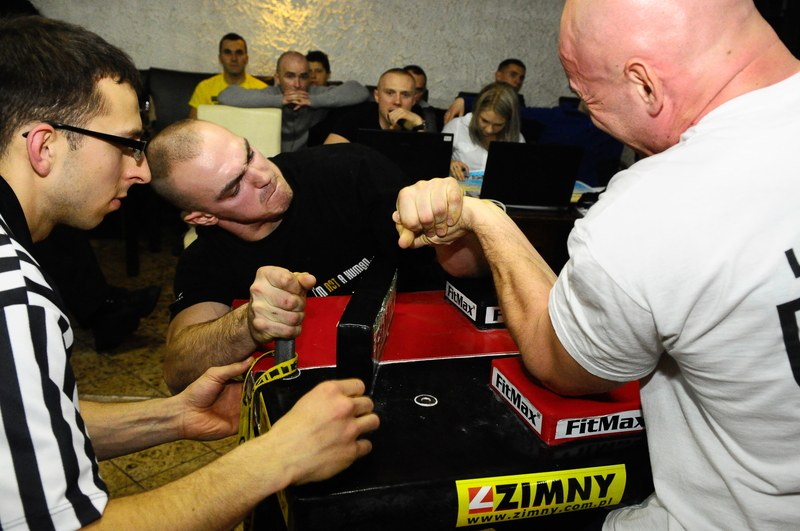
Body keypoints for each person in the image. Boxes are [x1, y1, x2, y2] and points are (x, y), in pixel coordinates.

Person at [393, 0, 800, 528]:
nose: (591, 116)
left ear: (645, 84)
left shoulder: (658, 203)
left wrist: (487, 218)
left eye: (588, 96)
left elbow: (557, 361)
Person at [0, 16, 378, 529]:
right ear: (44, 146)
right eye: (125, 144)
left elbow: (27, 428)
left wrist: (173, 416)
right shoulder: (15, 296)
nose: (140, 170)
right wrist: (279, 455)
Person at [146, 119, 477, 392]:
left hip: (430, 354)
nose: (263, 176)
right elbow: (178, 371)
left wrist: (456, 221)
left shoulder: (350, 169)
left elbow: (467, 268)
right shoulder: (207, 258)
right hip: (322, 392)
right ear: (204, 217)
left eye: (249, 154)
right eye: (235, 187)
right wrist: (247, 323)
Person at [218, 50, 369, 152]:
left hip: (306, 164)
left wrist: (313, 101)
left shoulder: (314, 93)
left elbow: (359, 90)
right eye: (290, 76)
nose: (297, 84)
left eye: (303, 77)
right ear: (278, 78)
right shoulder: (271, 94)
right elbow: (226, 95)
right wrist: (279, 100)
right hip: (272, 161)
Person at [324, 68, 433, 144]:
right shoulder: (358, 117)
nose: (397, 101)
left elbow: (430, 164)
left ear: (413, 100)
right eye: (390, 93)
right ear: (377, 96)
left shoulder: (416, 120)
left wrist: (419, 125)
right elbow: (327, 156)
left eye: (405, 95)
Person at [442, 81, 524, 181]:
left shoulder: (517, 138)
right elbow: (434, 160)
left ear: (508, 121)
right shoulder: (457, 127)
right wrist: (449, 164)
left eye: (498, 125)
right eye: (484, 121)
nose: (489, 130)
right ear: (476, 111)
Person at [187, 33, 267, 120]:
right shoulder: (204, 88)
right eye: (228, 53)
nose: (234, 58)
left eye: (239, 53)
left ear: (246, 59)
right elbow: (193, 124)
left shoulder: (262, 90)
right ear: (220, 58)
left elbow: (268, 123)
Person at [443, 58, 527, 124]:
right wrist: (463, 100)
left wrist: (464, 100)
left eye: (521, 78)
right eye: (513, 74)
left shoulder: (519, 105)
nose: (518, 81)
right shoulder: (469, 102)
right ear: (499, 75)